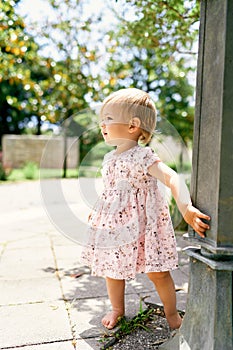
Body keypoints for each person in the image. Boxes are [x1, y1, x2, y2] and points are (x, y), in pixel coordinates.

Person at [81, 88, 210, 331]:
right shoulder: (109, 158)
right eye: (101, 120)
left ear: (132, 125)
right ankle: (117, 308)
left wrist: (186, 207)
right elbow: (110, 189)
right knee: (113, 268)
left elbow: (172, 177)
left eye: (108, 118)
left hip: (144, 226)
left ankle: (172, 314)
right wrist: (97, 211)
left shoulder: (142, 157)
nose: (102, 124)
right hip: (116, 225)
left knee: (158, 272)